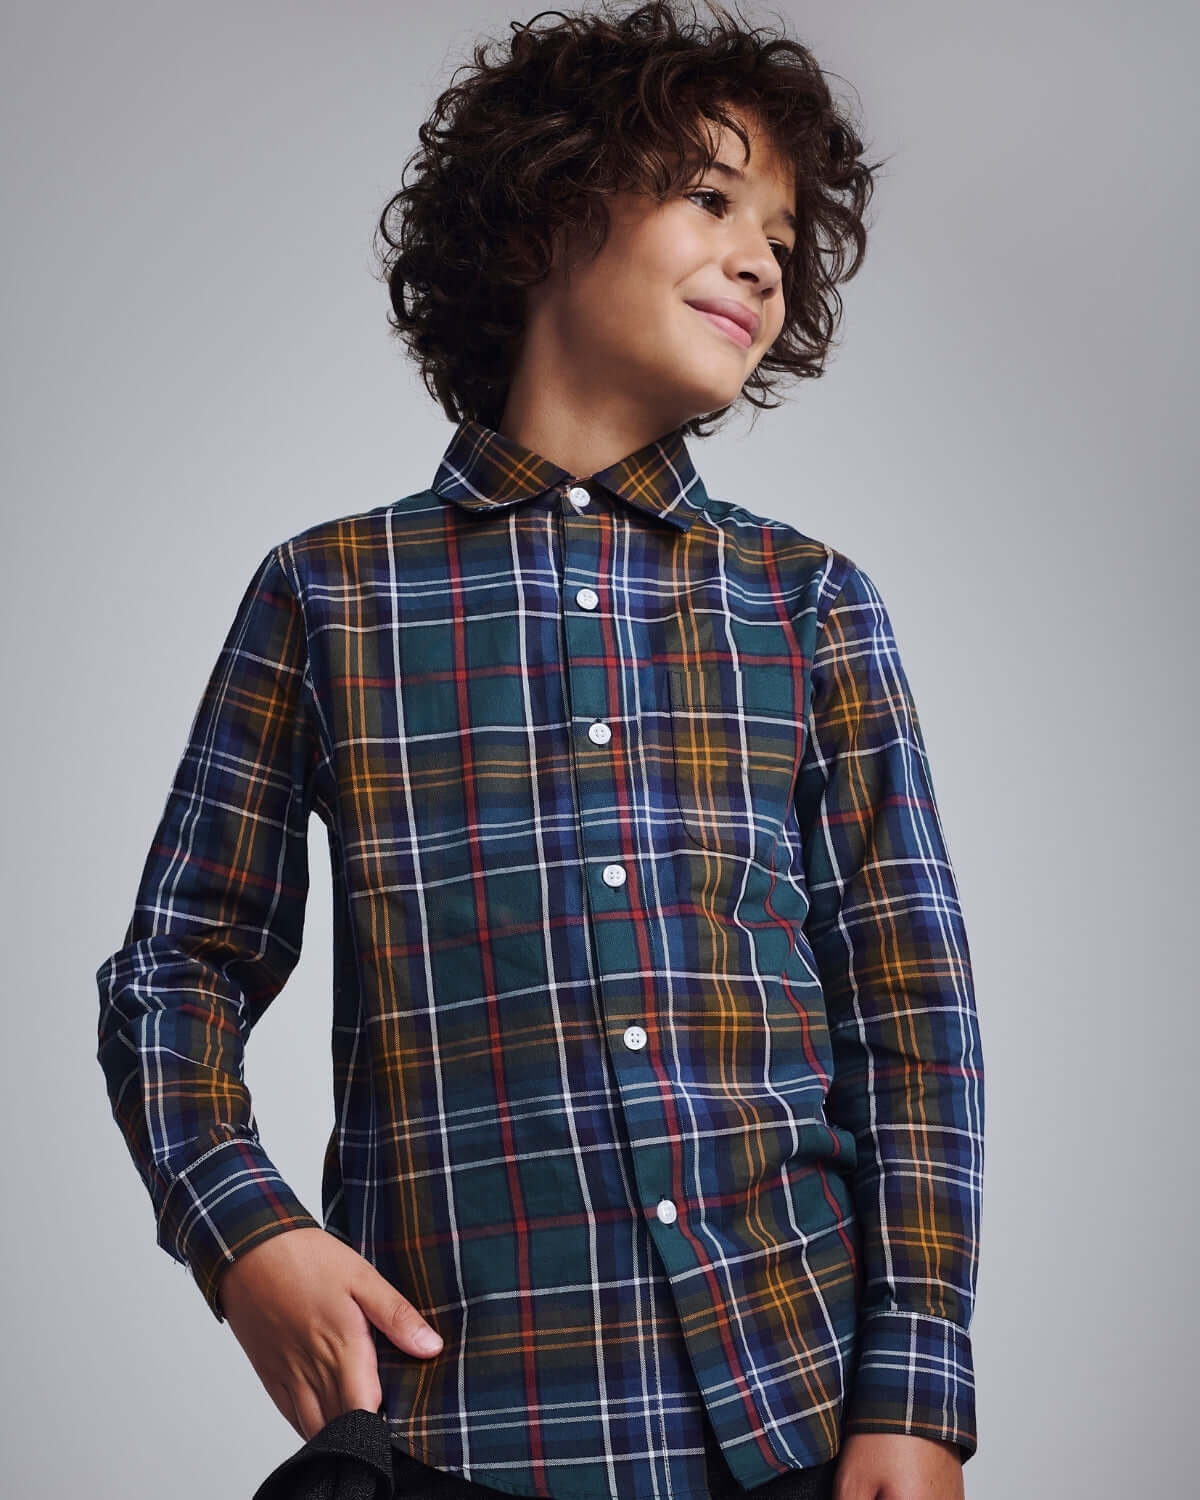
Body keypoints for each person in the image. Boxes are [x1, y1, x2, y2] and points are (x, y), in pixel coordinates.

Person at [94, 4, 985, 1499]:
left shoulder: (808, 603)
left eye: (783, 236)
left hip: (797, 1409)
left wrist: (917, 1385)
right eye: (711, 198)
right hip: (464, 1427)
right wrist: (244, 1231)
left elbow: (911, 1012)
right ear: (549, 205)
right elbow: (176, 967)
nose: (764, 262)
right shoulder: (331, 595)